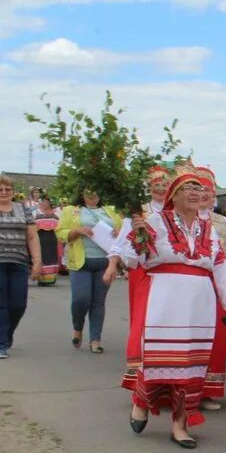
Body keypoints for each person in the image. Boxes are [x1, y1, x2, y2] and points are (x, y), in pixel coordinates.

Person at [110, 167, 226, 448]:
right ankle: (141, 402)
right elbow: (132, 260)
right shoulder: (154, 220)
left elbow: (220, 269)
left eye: (199, 189)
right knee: (161, 359)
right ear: (174, 195)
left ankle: (181, 424)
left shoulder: (209, 228)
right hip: (165, 299)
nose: (195, 194)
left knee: (191, 366)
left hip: (200, 303)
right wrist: (138, 235)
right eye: (188, 189)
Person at [112, 165, 170, 387]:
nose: (161, 188)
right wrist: (113, 266)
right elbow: (122, 246)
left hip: (167, 271)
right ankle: (140, 361)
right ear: (149, 186)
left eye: (165, 184)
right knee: (142, 315)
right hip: (142, 270)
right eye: (157, 183)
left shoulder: (175, 210)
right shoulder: (140, 211)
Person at [58, 190, 123, 352]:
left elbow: (123, 235)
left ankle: (95, 339)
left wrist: (118, 233)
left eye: (96, 190)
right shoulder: (70, 210)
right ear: (81, 192)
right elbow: (60, 232)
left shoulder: (110, 210)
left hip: (104, 262)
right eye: (88, 190)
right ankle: (78, 327)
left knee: (98, 302)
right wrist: (76, 231)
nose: (93, 193)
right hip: (80, 262)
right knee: (81, 299)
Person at [195, 166, 226, 410]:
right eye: (198, 190)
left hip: (219, 285)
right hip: (191, 285)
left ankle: (207, 391)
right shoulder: (178, 219)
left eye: (208, 191)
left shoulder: (224, 223)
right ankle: (181, 388)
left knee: (217, 338)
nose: (204, 195)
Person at [0, 175, 42, 359]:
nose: (4, 192)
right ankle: (1, 344)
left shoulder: (22, 209)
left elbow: (32, 236)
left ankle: (6, 335)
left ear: (13, 191)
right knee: (1, 305)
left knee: (18, 304)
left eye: (7, 189)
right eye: (0, 189)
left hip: (19, 262)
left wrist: (37, 261)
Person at [33, 196, 61, 285]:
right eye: (42, 202)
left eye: (46, 202)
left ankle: (51, 278)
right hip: (40, 238)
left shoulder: (57, 213)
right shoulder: (35, 212)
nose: (43, 204)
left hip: (52, 239)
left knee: (51, 257)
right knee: (42, 256)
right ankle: (41, 278)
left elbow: (59, 225)